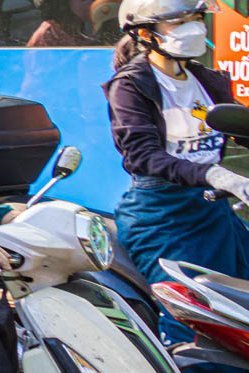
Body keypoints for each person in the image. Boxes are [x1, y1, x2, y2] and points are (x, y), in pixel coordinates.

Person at [109, 0, 249, 342]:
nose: (194, 27)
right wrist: (216, 175)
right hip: (162, 217)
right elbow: (143, 157)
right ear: (146, 33)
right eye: (179, 21)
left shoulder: (208, 80)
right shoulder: (130, 86)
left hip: (212, 210)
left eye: (196, 18)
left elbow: (237, 128)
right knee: (192, 319)